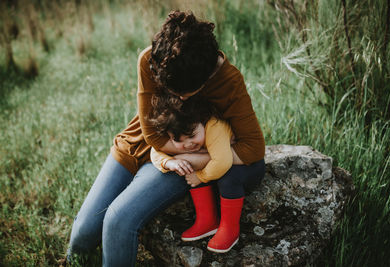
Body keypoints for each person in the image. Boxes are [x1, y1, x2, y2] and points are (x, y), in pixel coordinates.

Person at [68, 10, 265, 266]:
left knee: (119, 219)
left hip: (185, 157)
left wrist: (197, 158)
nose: (180, 98)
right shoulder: (150, 61)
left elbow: (253, 147)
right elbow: (150, 133)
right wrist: (176, 156)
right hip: (141, 145)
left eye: (185, 92)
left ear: (204, 78)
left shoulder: (229, 81)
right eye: (172, 91)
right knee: (83, 233)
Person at [149, 94, 264, 253]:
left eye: (192, 136)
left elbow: (222, 162)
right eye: (178, 141)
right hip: (217, 161)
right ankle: (207, 220)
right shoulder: (177, 129)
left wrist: (200, 177)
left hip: (247, 166)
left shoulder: (215, 125)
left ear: (201, 121)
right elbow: (155, 151)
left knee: (228, 176)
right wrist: (170, 162)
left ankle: (229, 228)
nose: (187, 144)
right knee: (189, 166)